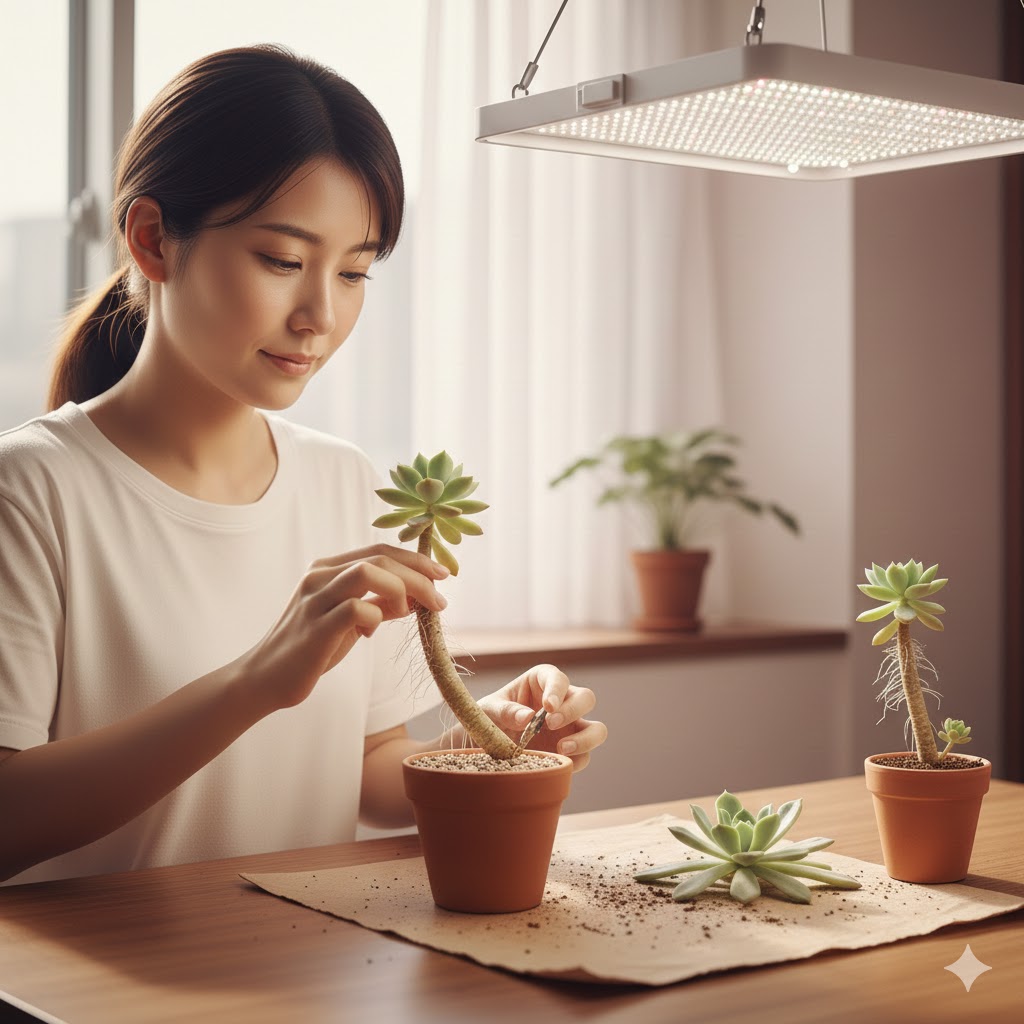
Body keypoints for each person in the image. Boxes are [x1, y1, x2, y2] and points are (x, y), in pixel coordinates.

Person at [0, 44, 607, 886]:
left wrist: (490, 740)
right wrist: (256, 681)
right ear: (153, 240)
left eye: (354, 272)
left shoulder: (343, 481)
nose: (321, 314)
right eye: (283, 261)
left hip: (309, 975)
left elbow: (369, 771)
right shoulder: (31, 488)